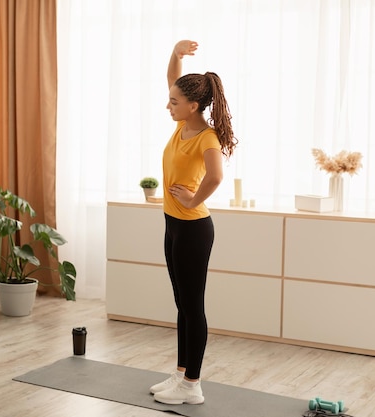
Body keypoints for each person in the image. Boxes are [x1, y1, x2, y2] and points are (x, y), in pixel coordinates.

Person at [150, 40, 237, 405]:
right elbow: (174, 78)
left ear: (193, 105)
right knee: (182, 303)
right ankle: (182, 373)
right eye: (170, 100)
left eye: (174, 102)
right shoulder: (182, 124)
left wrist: (193, 198)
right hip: (173, 224)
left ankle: (193, 385)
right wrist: (175, 53)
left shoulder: (206, 136)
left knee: (193, 305)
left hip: (193, 229)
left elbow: (216, 177)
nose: (168, 105)